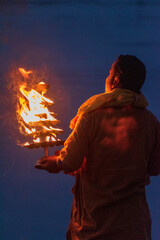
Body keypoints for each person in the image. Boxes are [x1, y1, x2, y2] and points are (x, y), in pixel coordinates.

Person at [35, 55, 160, 240]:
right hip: (134, 225)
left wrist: (56, 162)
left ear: (115, 81)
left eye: (109, 73)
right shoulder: (150, 121)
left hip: (94, 226)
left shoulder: (91, 116)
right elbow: (155, 167)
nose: (107, 78)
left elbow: (69, 162)